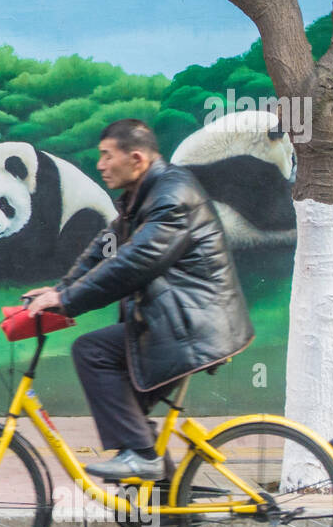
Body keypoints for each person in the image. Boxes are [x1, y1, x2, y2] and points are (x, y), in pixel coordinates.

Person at [23, 119, 254, 481]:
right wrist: (60, 288)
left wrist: (66, 300)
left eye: (106, 156)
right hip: (181, 321)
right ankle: (160, 503)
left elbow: (134, 262)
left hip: (195, 326)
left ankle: (145, 459)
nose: (99, 165)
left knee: (92, 352)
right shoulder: (143, 194)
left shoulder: (172, 196)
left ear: (136, 158)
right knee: (126, 411)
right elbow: (104, 249)